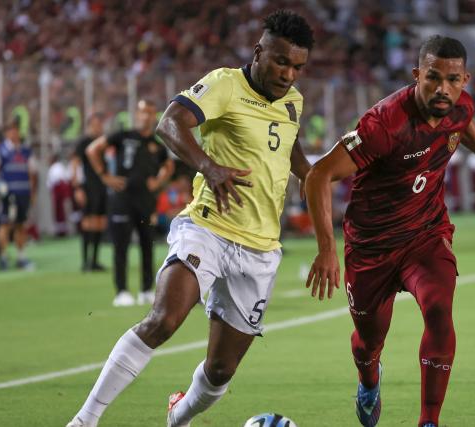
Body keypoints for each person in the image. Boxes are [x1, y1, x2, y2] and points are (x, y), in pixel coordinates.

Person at [66, 10, 314, 427]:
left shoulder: (293, 102)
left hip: (261, 247)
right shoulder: (224, 84)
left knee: (220, 372)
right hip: (207, 228)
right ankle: (84, 421)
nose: (288, 74)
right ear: (259, 51)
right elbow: (170, 123)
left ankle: (177, 417)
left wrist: (310, 176)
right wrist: (209, 167)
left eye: (297, 67)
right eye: (280, 61)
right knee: (163, 319)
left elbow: (288, 146)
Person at [304, 35, 475, 427]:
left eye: (453, 80)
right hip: (371, 245)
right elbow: (318, 175)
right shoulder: (385, 123)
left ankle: (428, 421)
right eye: (433, 78)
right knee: (369, 340)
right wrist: (326, 249)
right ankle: (369, 379)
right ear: (417, 74)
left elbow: (463, 124)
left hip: (425, 233)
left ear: (465, 80)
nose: (443, 89)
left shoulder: (460, 105)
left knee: (439, 311)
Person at [85, 100, 174, 306]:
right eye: (142, 112)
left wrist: (159, 182)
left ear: (154, 117)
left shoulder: (156, 143)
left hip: (146, 201)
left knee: (147, 244)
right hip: (122, 199)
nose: (146, 117)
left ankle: (146, 289)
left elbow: (169, 165)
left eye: (150, 113)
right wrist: (104, 175)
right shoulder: (123, 136)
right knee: (121, 246)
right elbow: (93, 149)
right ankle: (122, 291)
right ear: (136, 115)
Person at [0, 119, 37, 270]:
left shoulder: (26, 151)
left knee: (21, 224)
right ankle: (3, 256)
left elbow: (33, 174)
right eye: (10, 130)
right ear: (6, 133)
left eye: (15, 129)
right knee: (5, 224)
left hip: (23, 193)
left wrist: (33, 193)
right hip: (6, 194)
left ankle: (21, 257)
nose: (13, 133)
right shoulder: (0, 151)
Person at [70, 113, 108, 271]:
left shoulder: (104, 142)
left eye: (100, 124)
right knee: (87, 222)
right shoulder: (83, 143)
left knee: (100, 222)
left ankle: (95, 260)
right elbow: (75, 164)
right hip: (88, 186)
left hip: (102, 186)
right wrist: (77, 187)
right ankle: (85, 261)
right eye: (95, 124)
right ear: (89, 125)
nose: (98, 127)